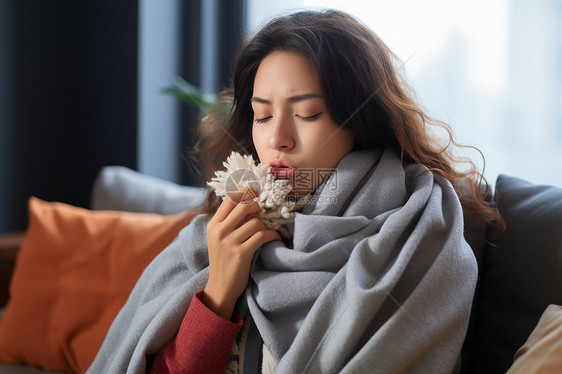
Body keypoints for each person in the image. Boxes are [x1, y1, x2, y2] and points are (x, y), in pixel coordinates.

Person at [87, 9, 503, 374]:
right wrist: (216, 296)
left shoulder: (421, 231)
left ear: (360, 120)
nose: (277, 139)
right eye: (262, 115)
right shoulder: (218, 230)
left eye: (306, 113)